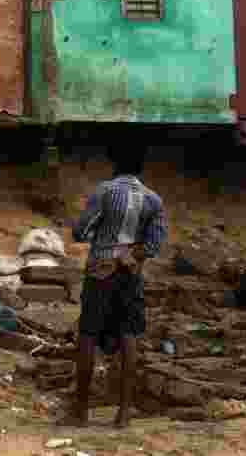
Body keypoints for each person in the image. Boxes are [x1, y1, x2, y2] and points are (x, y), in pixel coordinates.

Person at [63, 142, 167, 429]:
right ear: (141, 167)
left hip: (100, 271)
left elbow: (81, 231)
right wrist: (130, 254)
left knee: (88, 334)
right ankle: (123, 414)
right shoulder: (153, 199)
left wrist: (101, 238)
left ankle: (80, 411)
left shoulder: (105, 191)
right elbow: (154, 245)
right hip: (130, 274)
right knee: (129, 336)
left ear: (114, 164)